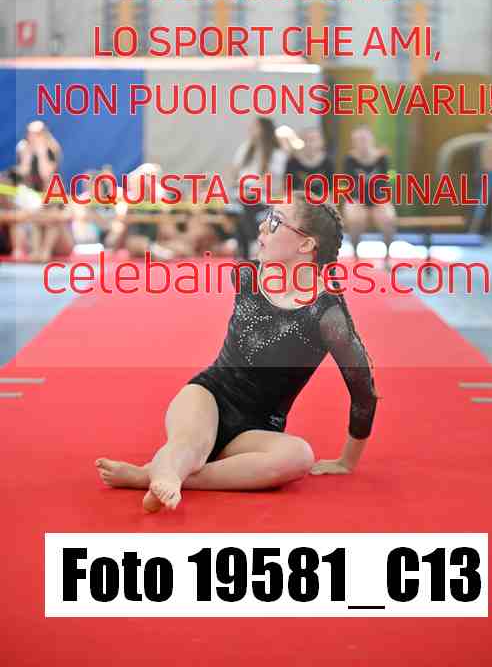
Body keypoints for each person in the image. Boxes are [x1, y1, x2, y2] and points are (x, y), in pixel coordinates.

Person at [95, 192, 378, 513]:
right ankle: (169, 474)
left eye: (275, 222)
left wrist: (346, 461)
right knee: (190, 444)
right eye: (266, 218)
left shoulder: (326, 313)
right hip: (207, 397)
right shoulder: (247, 276)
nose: (262, 227)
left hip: (257, 431)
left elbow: (363, 389)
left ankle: (154, 475)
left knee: (299, 456)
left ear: (306, 245)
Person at [14, 121, 74, 261]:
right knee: (38, 219)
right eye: (31, 133)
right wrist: (28, 155)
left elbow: (46, 174)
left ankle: (45, 250)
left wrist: (41, 153)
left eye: (38, 134)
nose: (34, 137)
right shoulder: (23, 147)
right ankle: (36, 251)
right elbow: (22, 173)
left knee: (51, 219)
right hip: (33, 195)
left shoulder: (51, 148)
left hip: (50, 194)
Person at [232, 116, 288, 257]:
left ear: (264, 130)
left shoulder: (277, 153)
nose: (250, 130)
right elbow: (235, 171)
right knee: (238, 209)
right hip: (242, 192)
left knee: (248, 204)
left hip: (264, 196)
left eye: (255, 127)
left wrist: (252, 187)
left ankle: (252, 244)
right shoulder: (245, 149)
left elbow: (274, 180)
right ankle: (245, 248)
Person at [342, 126, 396, 263]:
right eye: (358, 140)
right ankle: (355, 255)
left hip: (378, 197)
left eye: (365, 139)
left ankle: (387, 256)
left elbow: (384, 182)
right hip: (357, 198)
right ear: (354, 143)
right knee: (355, 220)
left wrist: (379, 202)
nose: (362, 143)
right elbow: (350, 185)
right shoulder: (350, 159)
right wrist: (358, 204)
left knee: (388, 219)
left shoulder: (382, 158)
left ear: (372, 140)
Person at [285, 127, 335, 195]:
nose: (309, 144)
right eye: (305, 140)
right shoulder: (292, 162)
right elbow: (288, 188)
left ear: (321, 142)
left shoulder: (327, 162)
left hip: (321, 199)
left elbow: (331, 188)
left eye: (313, 140)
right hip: (298, 198)